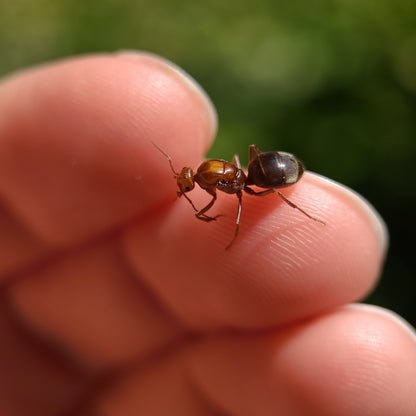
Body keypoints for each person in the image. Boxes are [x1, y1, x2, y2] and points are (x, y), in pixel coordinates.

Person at [0, 52, 414, 416]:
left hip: (270, 171)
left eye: (185, 183)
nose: (187, 186)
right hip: (260, 170)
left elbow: (223, 198)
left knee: (254, 205)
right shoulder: (210, 175)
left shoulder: (218, 178)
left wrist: (230, 224)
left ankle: (301, 208)